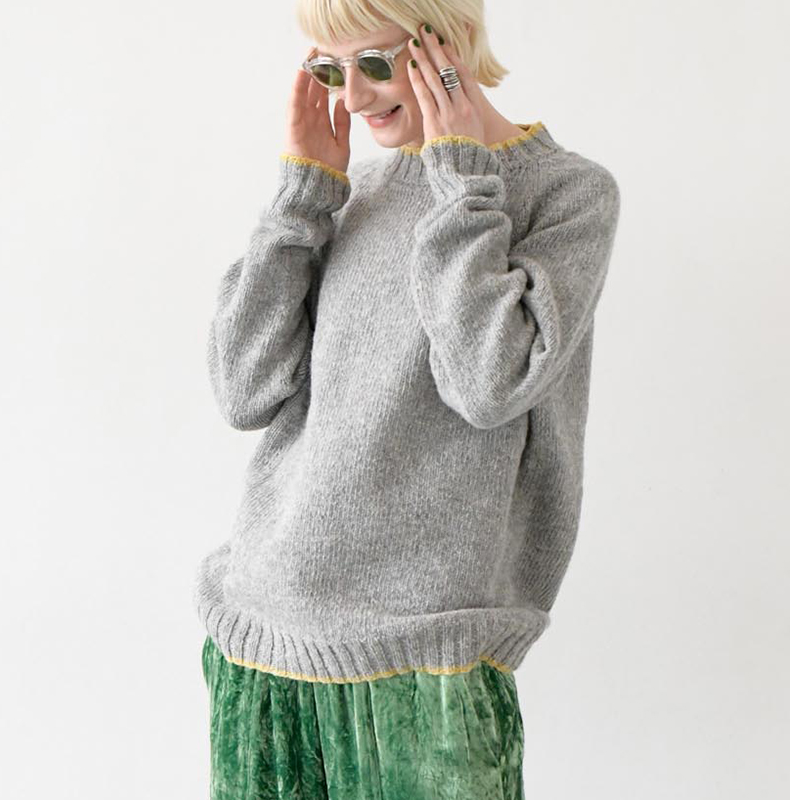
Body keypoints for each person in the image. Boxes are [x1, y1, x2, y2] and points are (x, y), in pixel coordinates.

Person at [195, 1, 621, 798]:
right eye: (329, 71)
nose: (352, 98)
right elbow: (243, 390)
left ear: (447, 43)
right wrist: (301, 198)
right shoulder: (345, 194)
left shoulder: (565, 194)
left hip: (432, 667)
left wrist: (462, 186)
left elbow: (490, 384)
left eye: (373, 63)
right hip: (261, 640)